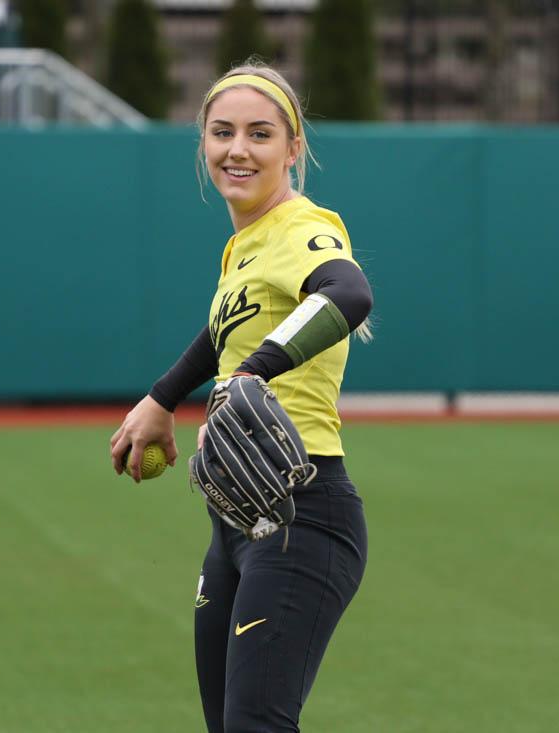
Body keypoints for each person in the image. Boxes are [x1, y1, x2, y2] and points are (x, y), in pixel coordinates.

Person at [109, 61, 374, 733]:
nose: (238, 149)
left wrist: (250, 373)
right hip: (236, 523)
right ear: (202, 143)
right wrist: (163, 397)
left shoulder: (301, 227)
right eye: (222, 132)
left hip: (303, 514)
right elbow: (224, 328)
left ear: (293, 149)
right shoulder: (244, 248)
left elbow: (349, 294)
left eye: (260, 134)